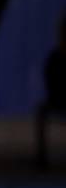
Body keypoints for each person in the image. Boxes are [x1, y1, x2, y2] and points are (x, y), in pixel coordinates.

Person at [35, 13, 66, 168]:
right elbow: (50, 83)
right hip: (58, 99)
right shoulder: (54, 58)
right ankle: (42, 158)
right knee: (41, 110)